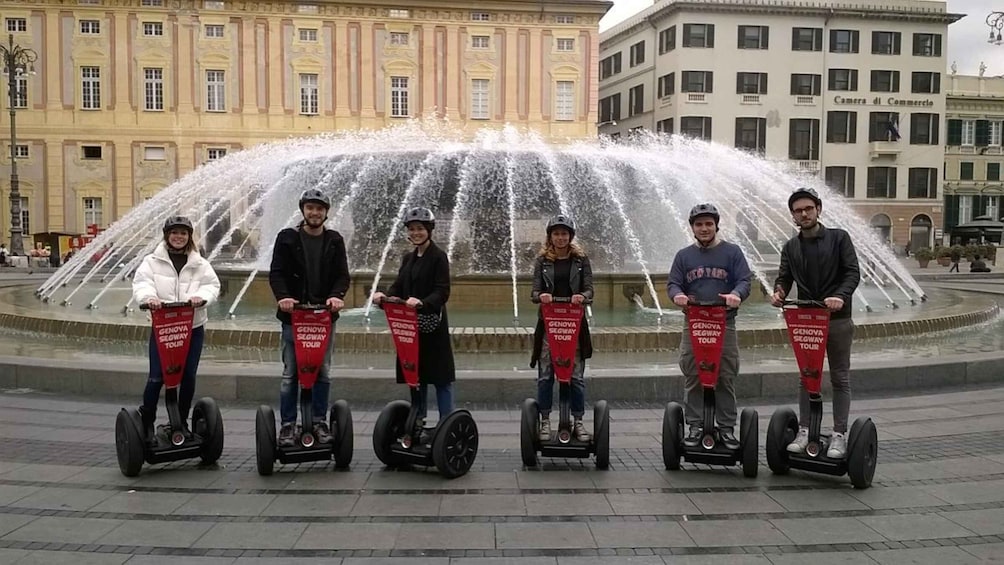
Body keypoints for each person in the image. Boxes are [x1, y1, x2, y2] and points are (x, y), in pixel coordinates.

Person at [771, 187, 860, 459]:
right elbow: (784, 276)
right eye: (798, 211)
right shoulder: (790, 246)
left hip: (837, 319)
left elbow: (852, 273)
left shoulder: (839, 238)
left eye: (808, 208)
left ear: (818, 209)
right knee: (807, 377)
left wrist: (840, 296)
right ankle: (804, 429)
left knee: (839, 377)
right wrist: (779, 292)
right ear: (793, 216)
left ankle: (839, 434)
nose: (804, 213)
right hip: (807, 320)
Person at [666, 203, 752, 450]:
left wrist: (737, 294)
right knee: (693, 374)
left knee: (725, 375)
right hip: (694, 322)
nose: (704, 228)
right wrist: (678, 295)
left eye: (708, 224)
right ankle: (694, 425)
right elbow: (673, 283)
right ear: (692, 228)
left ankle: (726, 428)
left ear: (716, 226)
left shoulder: (732, 252)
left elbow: (744, 280)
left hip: (725, 322)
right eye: (699, 224)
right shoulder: (684, 256)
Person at [269, 189, 350, 447]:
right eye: (310, 208)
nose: (314, 213)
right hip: (295, 315)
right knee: (291, 372)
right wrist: (283, 296)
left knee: (322, 371)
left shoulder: (334, 240)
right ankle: (288, 425)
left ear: (326, 212)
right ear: (303, 210)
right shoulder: (287, 238)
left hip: (324, 318)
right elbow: (277, 272)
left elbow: (342, 275)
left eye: (319, 208)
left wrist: (336, 295)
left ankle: (318, 421)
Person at [132, 216, 221, 442]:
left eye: (183, 233)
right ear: (167, 235)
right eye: (174, 232)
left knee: (188, 376)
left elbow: (212, 285)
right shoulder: (152, 261)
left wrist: (201, 298)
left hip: (193, 326)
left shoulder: (199, 263)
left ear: (189, 236)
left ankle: (180, 421)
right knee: (157, 377)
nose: (179, 237)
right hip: (164, 328)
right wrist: (148, 297)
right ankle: (147, 421)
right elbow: (142, 283)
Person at [371, 207, 455, 440]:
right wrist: (383, 296)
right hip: (409, 327)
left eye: (420, 229)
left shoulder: (439, 256)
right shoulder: (408, 258)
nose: (416, 233)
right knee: (414, 373)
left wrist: (423, 302)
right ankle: (417, 419)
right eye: (412, 229)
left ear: (429, 230)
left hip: (432, 324)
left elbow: (442, 291)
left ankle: (447, 423)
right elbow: (399, 286)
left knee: (440, 376)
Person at [529, 215, 594, 442]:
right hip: (549, 325)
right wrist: (542, 296)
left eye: (564, 234)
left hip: (574, 325)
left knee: (575, 376)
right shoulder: (542, 261)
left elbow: (589, 290)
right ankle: (545, 420)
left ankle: (578, 422)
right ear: (550, 236)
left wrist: (582, 297)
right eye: (556, 234)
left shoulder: (581, 260)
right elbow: (534, 293)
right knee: (546, 375)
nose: (560, 238)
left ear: (570, 236)